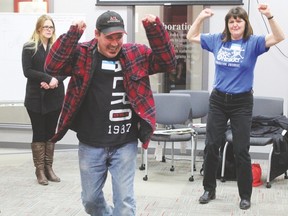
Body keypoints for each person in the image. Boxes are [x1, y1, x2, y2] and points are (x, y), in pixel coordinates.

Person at [44, 10, 176, 215]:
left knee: (124, 203)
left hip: (125, 142)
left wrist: (155, 30)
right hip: (91, 143)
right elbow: (52, 66)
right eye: (109, 38)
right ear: (96, 34)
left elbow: (168, 63)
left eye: (119, 37)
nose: (115, 43)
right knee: (90, 201)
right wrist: (72, 33)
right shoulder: (82, 54)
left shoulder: (136, 54)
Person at [186, 4, 285, 210]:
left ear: (245, 23)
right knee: (212, 145)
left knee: (241, 149)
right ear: (227, 25)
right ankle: (209, 189)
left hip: (241, 102)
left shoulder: (253, 42)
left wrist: (269, 16)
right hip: (218, 100)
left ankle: (245, 195)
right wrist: (201, 17)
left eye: (239, 20)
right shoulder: (217, 40)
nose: (235, 24)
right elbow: (191, 35)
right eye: (231, 21)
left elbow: (279, 37)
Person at [22, 15, 66, 186]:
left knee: (51, 134)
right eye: (46, 26)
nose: (49, 29)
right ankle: (39, 170)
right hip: (35, 98)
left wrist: (55, 81)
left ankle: (49, 168)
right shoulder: (29, 47)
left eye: (51, 27)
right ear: (39, 28)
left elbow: (65, 69)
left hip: (54, 96)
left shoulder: (58, 48)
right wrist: (48, 78)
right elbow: (28, 71)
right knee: (39, 133)